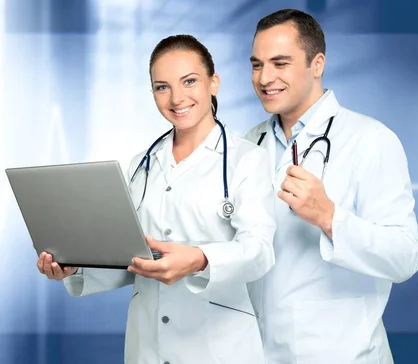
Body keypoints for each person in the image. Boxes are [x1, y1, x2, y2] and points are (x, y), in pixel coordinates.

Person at [37, 34, 277, 364]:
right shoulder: (142, 165)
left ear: (213, 82)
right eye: (162, 87)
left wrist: (199, 259)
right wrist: (75, 266)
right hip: (147, 345)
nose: (177, 97)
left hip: (219, 347)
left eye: (189, 81)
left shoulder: (247, 159)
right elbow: (131, 259)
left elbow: (259, 252)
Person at [244, 9, 418, 364]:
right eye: (256, 64)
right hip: (255, 350)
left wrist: (329, 217)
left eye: (280, 63)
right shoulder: (249, 144)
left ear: (317, 64)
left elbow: (405, 257)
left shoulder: (371, 140)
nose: (265, 78)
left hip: (339, 353)